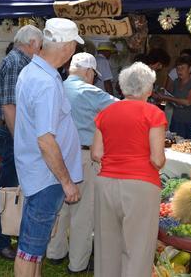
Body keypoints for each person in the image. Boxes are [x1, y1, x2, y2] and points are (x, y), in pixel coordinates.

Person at [13, 18, 83, 277]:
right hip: (46, 176)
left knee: (36, 247)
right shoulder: (45, 82)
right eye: (74, 44)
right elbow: (45, 139)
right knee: (29, 249)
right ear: (68, 47)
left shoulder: (35, 71)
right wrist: (66, 181)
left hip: (39, 172)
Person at [91, 61, 167, 277]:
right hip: (141, 184)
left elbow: (96, 153)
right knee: (138, 251)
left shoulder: (105, 112)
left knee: (106, 250)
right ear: (148, 89)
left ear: (123, 87)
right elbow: (157, 159)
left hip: (106, 183)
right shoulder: (153, 113)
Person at [46, 53, 118, 273]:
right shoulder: (90, 91)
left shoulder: (55, 87)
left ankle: (55, 252)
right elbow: (122, 110)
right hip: (83, 155)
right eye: (93, 75)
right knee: (83, 212)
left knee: (61, 205)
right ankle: (77, 263)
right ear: (88, 72)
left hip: (57, 154)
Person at [0, 25, 43, 260]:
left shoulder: (19, 61)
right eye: (39, 45)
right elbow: (9, 107)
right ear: (31, 43)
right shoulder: (16, 62)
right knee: (7, 189)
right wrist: (19, 139)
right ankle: (0, 241)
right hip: (13, 136)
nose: (40, 50)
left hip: (15, 135)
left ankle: (11, 236)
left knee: (15, 188)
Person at [156, 56, 191, 139]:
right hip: (178, 121)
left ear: (190, 69)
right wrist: (160, 97)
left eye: (182, 68)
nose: (179, 71)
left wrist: (167, 97)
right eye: (178, 68)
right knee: (177, 146)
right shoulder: (176, 82)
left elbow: (188, 102)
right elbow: (170, 98)